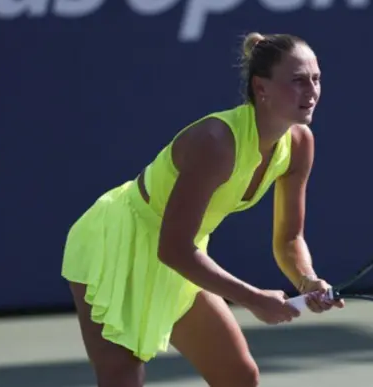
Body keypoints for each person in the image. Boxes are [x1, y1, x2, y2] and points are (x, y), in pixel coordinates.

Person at [61, 32, 344, 387]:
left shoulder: (300, 144)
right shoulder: (216, 142)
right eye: (298, 81)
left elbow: (289, 239)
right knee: (122, 377)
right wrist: (253, 298)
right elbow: (173, 248)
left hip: (181, 253)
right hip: (119, 241)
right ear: (261, 88)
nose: (312, 91)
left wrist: (307, 280)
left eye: (316, 79)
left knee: (239, 377)